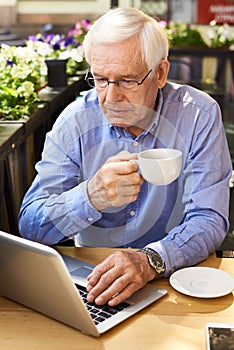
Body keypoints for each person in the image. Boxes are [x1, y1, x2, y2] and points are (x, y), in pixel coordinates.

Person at [18, 7, 232, 307]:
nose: (110, 97)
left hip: (176, 280)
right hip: (94, 281)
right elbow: (30, 227)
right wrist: (90, 196)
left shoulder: (198, 114)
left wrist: (151, 260)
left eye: (127, 81)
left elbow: (209, 218)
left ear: (159, 73)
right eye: (101, 79)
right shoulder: (75, 121)